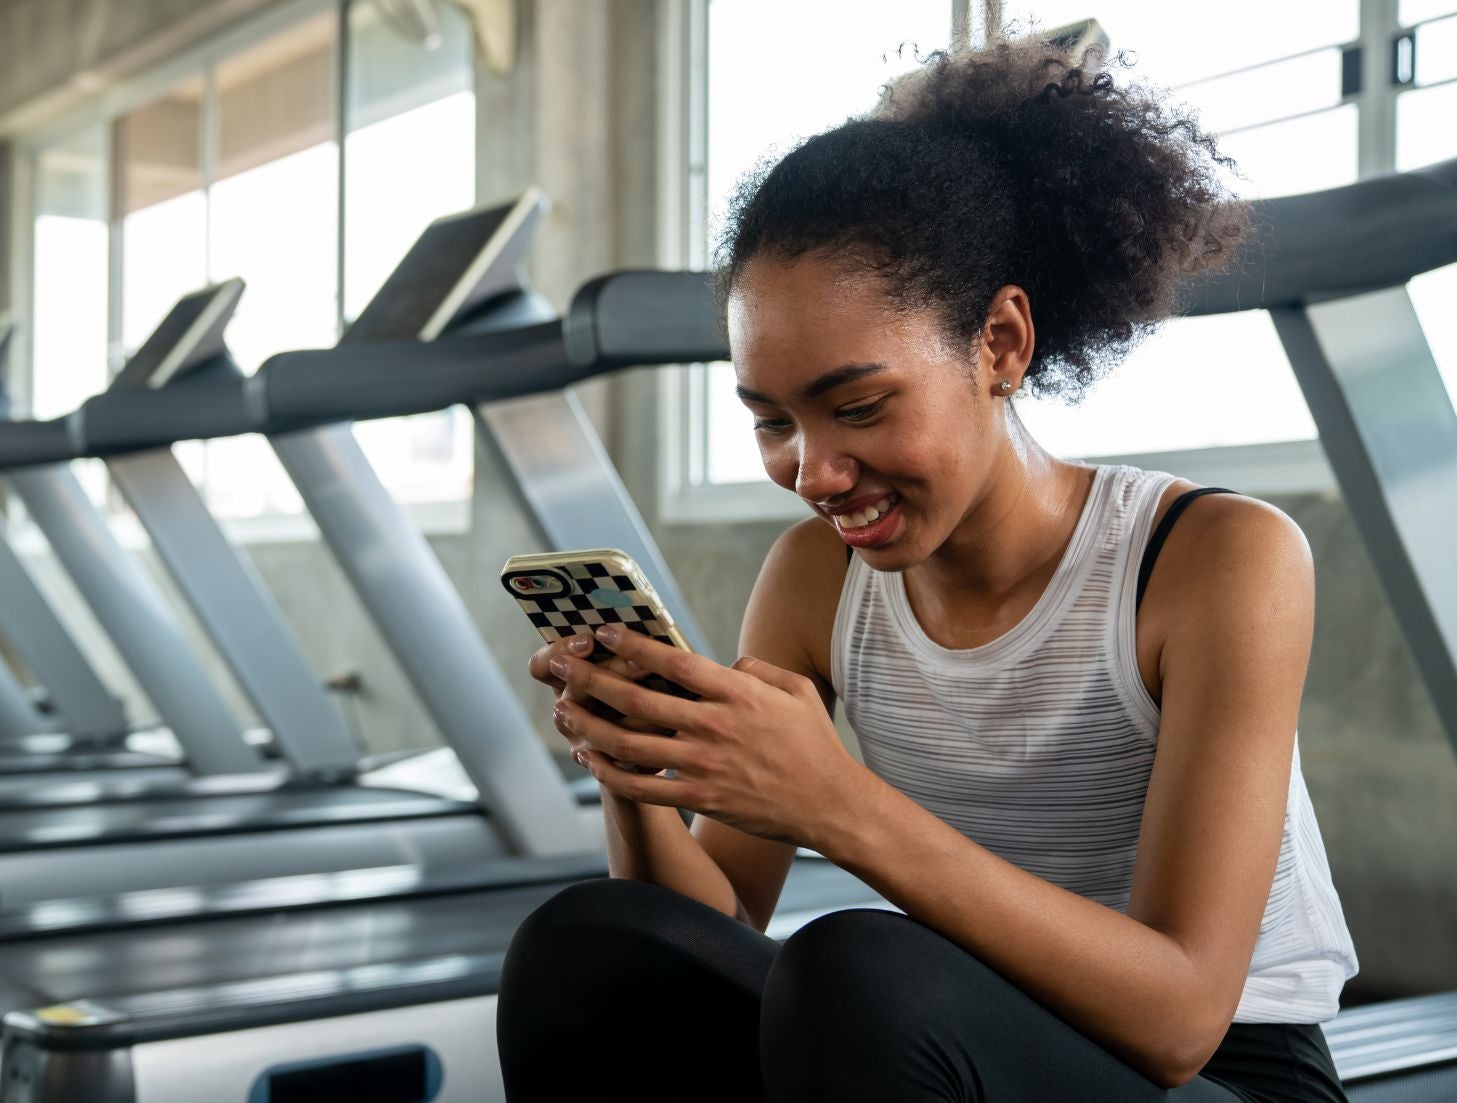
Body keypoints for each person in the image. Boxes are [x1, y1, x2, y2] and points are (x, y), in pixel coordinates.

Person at [498, 38, 1357, 1102]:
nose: (812, 471)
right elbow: (712, 925)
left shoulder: (1215, 558)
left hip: (1226, 1073)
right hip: (958, 1038)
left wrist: (837, 801)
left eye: (857, 406)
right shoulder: (816, 576)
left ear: (998, 341)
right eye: (772, 421)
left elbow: (1179, 1017)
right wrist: (630, 770)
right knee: (588, 937)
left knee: (861, 969)